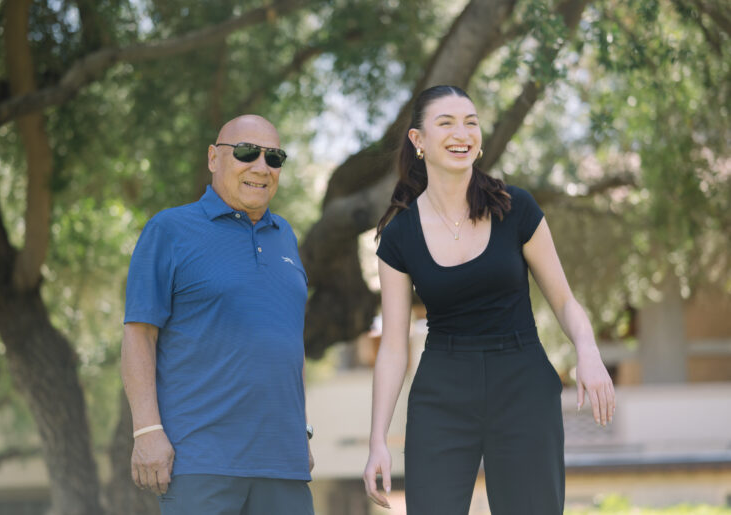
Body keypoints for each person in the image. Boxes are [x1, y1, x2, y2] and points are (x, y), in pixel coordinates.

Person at [362, 85, 615, 515]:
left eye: (471, 122)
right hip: (442, 388)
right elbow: (392, 346)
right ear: (418, 141)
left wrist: (587, 350)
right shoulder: (399, 235)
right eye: (446, 123)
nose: (462, 133)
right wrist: (377, 441)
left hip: (522, 381)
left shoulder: (516, 209)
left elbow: (565, 301)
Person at [121, 115, 315, 515]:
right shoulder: (169, 229)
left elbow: (284, 344)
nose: (261, 167)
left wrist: (302, 433)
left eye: (274, 158)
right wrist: (146, 431)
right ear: (213, 158)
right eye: (247, 153)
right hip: (200, 463)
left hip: (284, 464)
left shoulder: (286, 237)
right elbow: (139, 334)